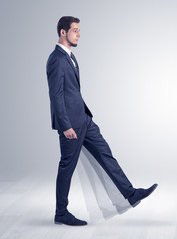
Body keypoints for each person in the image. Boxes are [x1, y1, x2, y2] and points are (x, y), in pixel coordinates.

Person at [46, 16, 157, 226]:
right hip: (71, 124)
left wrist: (83, 117)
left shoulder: (71, 57)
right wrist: (65, 125)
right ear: (63, 32)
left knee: (105, 154)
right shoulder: (56, 59)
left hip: (84, 119)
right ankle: (61, 212)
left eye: (79, 30)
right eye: (75, 30)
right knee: (67, 166)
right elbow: (56, 95)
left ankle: (130, 193)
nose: (79, 34)